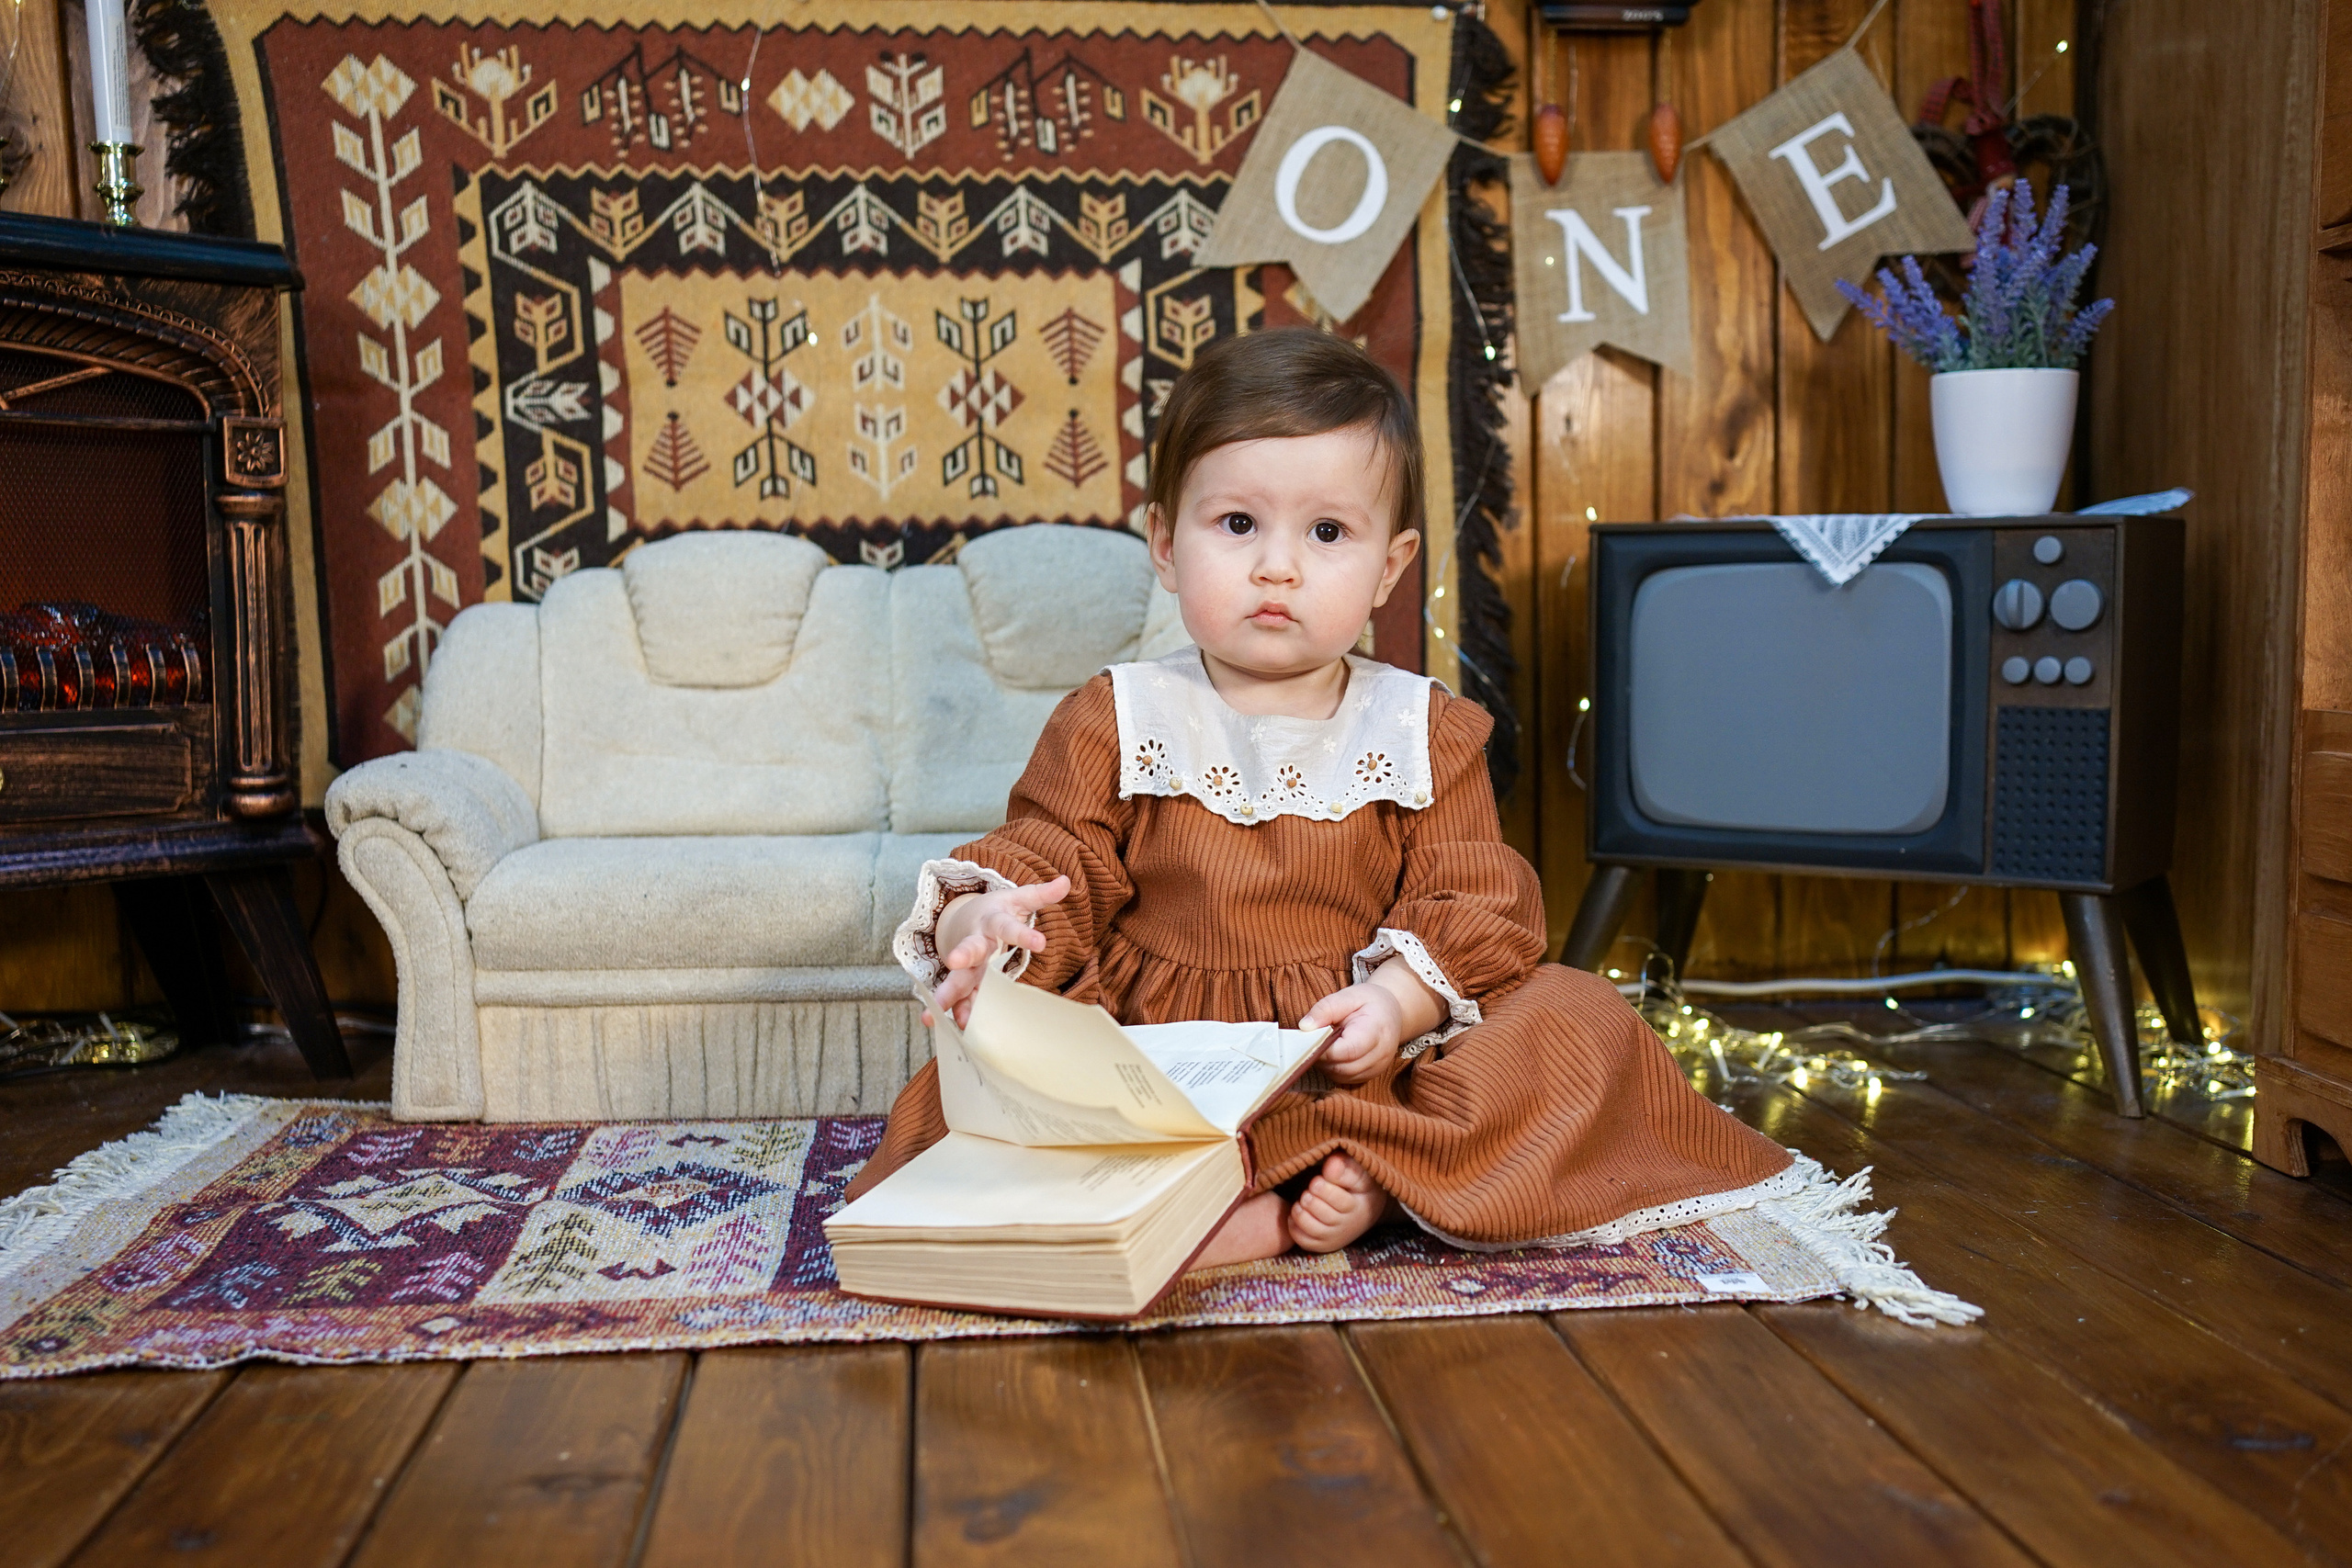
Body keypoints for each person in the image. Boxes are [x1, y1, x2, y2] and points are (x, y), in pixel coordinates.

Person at [846, 327, 1793, 1267]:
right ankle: (1256, 1197)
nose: (1277, 567)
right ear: (1166, 546)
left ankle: (1374, 1175)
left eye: (1328, 533)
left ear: (1388, 567)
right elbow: (1053, 857)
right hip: (1161, 1056)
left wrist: (1396, 1002)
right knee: (992, 1076)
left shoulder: (1423, 729)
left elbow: (1473, 897)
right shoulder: (1118, 715)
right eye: (1237, 525)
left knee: (1578, 1020)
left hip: (1351, 1053)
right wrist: (988, 913)